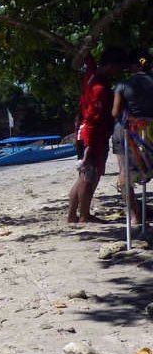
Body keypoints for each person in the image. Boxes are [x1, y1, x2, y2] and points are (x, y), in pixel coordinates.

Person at [67, 47, 125, 223]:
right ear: (111, 65)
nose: (119, 71)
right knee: (89, 176)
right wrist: (90, 146)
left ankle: (72, 215)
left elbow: (88, 60)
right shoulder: (99, 88)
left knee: (84, 175)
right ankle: (84, 215)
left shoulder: (91, 73)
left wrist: (87, 49)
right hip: (92, 135)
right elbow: (93, 118)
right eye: (118, 67)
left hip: (84, 132)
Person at [111, 49, 153, 224]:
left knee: (124, 174)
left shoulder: (123, 85)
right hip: (151, 134)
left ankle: (134, 217)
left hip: (130, 136)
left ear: (133, 66)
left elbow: (115, 112)